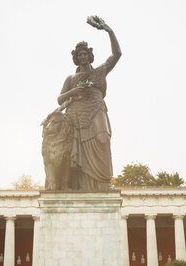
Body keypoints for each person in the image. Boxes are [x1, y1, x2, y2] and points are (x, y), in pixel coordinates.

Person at [57, 16, 121, 192]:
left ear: (90, 56)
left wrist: (109, 31)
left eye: (85, 54)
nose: (83, 57)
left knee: (103, 139)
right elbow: (60, 99)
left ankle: (104, 182)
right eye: (79, 55)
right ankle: (78, 184)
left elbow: (117, 54)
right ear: (76, 58)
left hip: (96, 108)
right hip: (76, 112)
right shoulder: (70, 78)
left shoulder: (100, 71)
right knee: (74, 149)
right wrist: (74, 92)